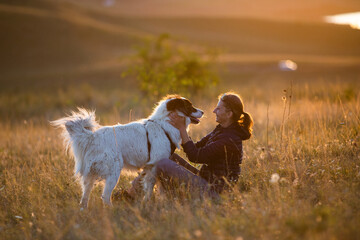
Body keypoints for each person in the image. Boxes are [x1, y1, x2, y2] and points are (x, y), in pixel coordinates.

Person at [120, 92, 253, 200]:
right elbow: (197, 146)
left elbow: (195, 156)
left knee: (162, 163)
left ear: (229, 114)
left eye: (219, 108)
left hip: (214, 193)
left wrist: (182, 128)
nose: (214, 110)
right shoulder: (222, 129)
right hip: (206, 180)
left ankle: (136, 195)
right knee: (167, 156)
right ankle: (134, 193)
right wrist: (173, 127)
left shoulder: (229, 138)